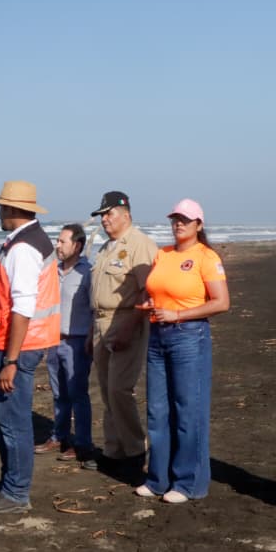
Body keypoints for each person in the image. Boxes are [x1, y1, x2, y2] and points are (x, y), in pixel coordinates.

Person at [0, 181, 61, 516]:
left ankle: (16, 492)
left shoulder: (24, 248)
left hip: (19, 348)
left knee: (12, 420)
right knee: (2, 416)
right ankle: (9, 482)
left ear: (13, 209)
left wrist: (10, 359)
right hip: (10, 344)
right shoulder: (23, 241)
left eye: (1, 207)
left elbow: (23, 308)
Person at [134, 199, 229, 503]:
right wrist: (151, 304)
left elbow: (221, 302)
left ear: (198, 224)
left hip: (189, 337)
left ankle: (189, 483)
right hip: (157, 335)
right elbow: (159, 290)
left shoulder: (206, 257)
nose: (178, 224)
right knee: (157, 410)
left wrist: (178, 314)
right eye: (175, 218)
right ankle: (158, 479)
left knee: (188, 410)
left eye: (185, 219)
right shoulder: (163, 254)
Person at [88, 190, 158, 470]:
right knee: (107, 391)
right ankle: (114, 450)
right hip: (100, 323)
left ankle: (135, 450)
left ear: (126, 214)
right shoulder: (106, 248)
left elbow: (148, 292)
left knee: (120, 390)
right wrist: (90, 333)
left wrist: (129, 328)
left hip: (126, 320)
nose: (104, 219)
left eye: (109, 214)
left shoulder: (140, 245)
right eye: (102, 215)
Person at [36, 223, 95, 468]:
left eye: (62, 242)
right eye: (57, 241)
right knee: (58, 393)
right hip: (53, 339)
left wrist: (91, 337)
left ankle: (81, 443)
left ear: (77, 245)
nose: (57, 245)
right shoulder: (53, 270)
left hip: (77, 341)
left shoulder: (88, 272)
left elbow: (95, 308)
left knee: (77, 393)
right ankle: (58, 436)